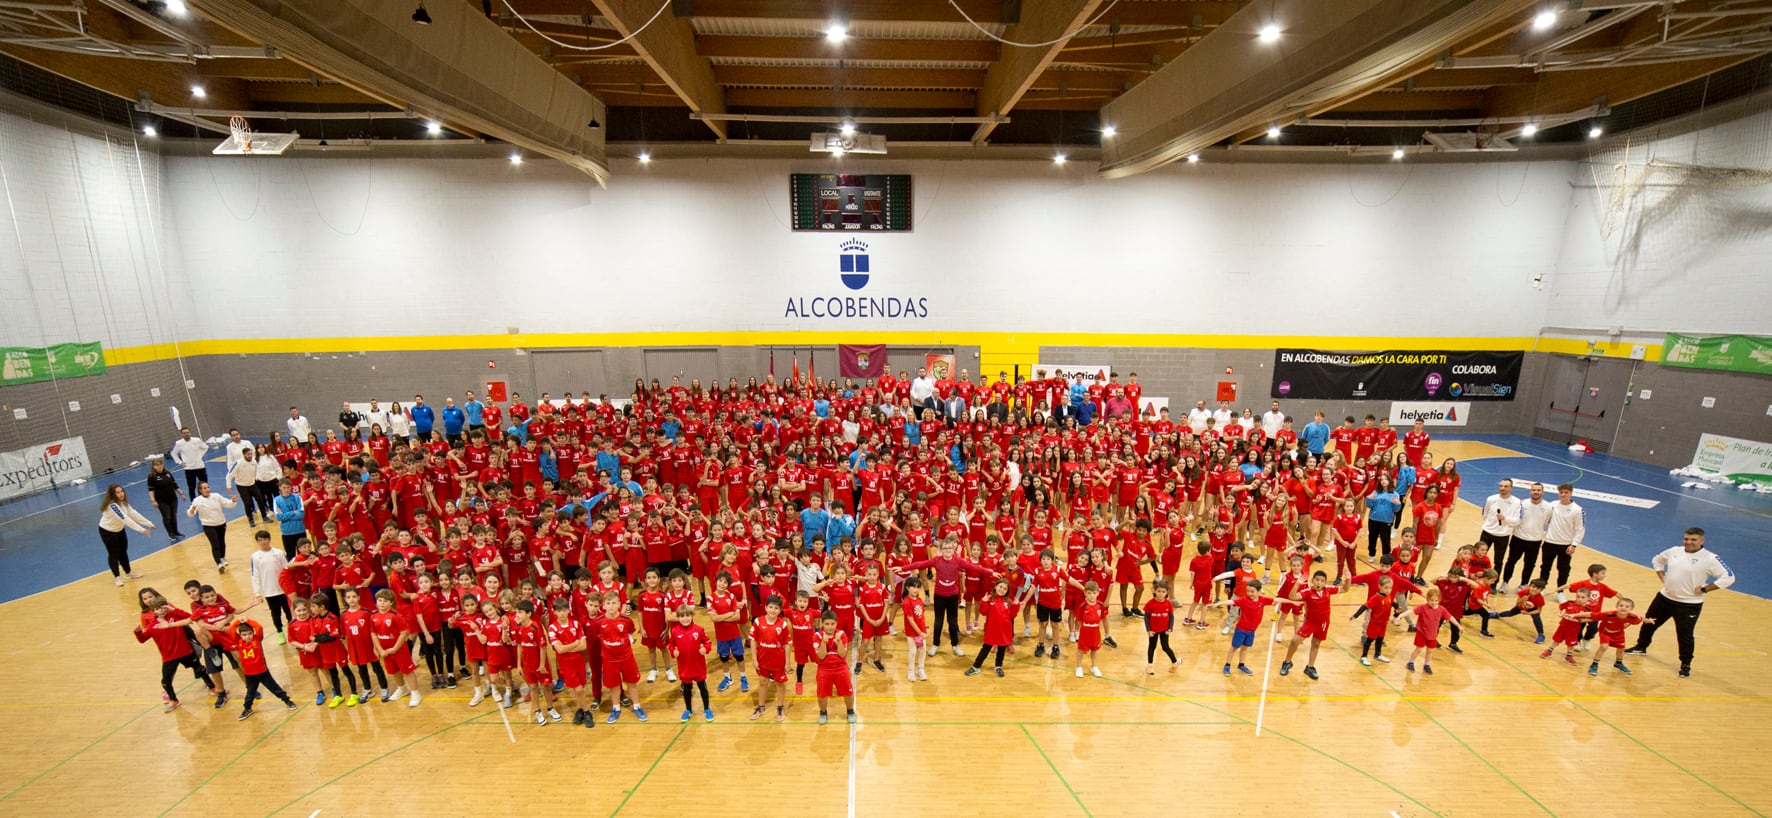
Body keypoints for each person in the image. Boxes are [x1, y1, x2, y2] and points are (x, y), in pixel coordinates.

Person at [1627, 527, 1735, 678]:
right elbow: (1657, 560)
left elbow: (1729, 577)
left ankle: (1685, 664)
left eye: (1693, 540)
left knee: (1684, 635)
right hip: (1664, 598)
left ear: (1701, 541)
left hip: (1689, 604)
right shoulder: (1674, 551)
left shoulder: (1710, 558)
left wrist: (1705, 589)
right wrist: (1661, 574)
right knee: (1649, 623)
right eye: (1686, 539)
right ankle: (1641, 647)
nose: (1688, 542)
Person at [134, 591, 213, 712]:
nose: (160, 610)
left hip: (186, 651)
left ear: (166, 606)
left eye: (162, 607)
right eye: (156, 609)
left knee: (200, 670)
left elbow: (190, 617)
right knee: (166, 681)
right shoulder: (152, 626)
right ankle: (173, 700)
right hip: (169, 657)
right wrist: (138, 632)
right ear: (153, 611)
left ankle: (213, 688)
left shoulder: (175, 617)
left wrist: (173, 610)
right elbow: (142, 639)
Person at [228, 620, 299, 720]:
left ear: (253, 633)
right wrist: (238, 622)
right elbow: (231, 631)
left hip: (261, 671)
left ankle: (287, 701)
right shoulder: (239, 642)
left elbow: (259, 627)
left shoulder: (256, 640)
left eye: (249, 633)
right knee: (250, 693)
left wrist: (247, 620)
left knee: (274, 688)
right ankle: (247, 708)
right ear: (240, 635)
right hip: (249, 674)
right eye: (244, 635)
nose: (247, 636)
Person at [98, 484, 153, 586]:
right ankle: (117, 577)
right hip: (108, 531)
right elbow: (125, 519)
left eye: (121, 491)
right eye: (117, 492)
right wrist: (141, 530)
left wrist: (148, 523)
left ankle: (128, 572)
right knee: (113, 554)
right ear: (112, 494)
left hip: (119, 529)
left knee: (123, 551)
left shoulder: (123, 503)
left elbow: (133, 513)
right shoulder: (112, 506)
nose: (120, 494)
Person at [668, 604, 714, 723]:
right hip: (684, 666)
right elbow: (671, 644)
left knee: (702, 687)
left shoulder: (699, 630)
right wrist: (674, 651)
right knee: (686, 689)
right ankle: (688, 709)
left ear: (692, 616)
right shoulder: (674, 631)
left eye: (688, 615)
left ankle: (707, 709)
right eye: (682, 616)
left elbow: (708, 642)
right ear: (678, 617)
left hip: (698, 666)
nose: (685, 618)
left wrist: (706, 649)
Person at [1503, 482, 1552, 593]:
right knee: (1511, 561)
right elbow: (1516, 518)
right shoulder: (1522, 504)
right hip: (1518, 538)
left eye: (1538, 490)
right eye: (1534, 490)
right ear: (1530, 491)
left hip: (1535, 541)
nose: (1536, 492)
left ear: (1542, 492)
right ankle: (1505, 583)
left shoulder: (1548, 507)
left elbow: (1547, 522)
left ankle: (1524, 584)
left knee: (1529, 564)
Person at [1537, 484, 1586, 587]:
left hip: (1565, 544)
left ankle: (1560, 590)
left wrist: (1574, 545)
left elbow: (1580, 529)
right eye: (1561, 492)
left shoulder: (1577, 510)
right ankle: (1541, 588)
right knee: (1545, 567)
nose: (1563, 495)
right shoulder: (1552, 505)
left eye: (1566, 492)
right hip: (1549, 542)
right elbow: (1540, 510)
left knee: (1563, 569)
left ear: (1571, 493)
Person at [813, 612, 856, 725]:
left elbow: (842, 655)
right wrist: (823, 642)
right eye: (827, 624)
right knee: (822, 693)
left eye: (832, 624)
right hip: (824, 668)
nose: (830, 627)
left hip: (840, 667)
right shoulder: (817, 636)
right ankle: (823, 712)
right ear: (822, 624)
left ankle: (850, 711)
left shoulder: (841, 634)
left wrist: (839, 641)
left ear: (836, 624)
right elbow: (821, 656)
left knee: (848, 692)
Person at [248, 530, 291, 642]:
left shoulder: (279, 552)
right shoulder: (255, 557)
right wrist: (257, 593)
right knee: (275, 613)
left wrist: (290, 587)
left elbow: (287, 569)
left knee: (289, 611)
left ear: (269, 539)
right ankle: (280, 632)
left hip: (284, 590)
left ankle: (293, 631)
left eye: (265, 539)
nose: (263, 542)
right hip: (269, 591)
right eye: (260, 540)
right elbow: (255, 575)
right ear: (257, 542)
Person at [186, 481, 238, 572]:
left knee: (222, 542)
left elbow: (227, 503)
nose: (207, 489)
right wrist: (192, 509)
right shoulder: (197, 501)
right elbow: (190, 513)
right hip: (208, 525)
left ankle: (222, 558)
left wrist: (233, 501)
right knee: (215, 544)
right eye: (205, 488)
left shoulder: (216, 496)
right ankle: (218, 564)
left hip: (221, 523)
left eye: (208, 487)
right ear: (200, 490)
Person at [146, 458, 186, 539]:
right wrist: (153, 500)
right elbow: (151, 490)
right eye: (157, 465)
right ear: (153, 466)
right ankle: (170, 533)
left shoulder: (168, 473)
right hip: (161, 500)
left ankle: (175, 531)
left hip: (173, 498)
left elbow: (174, 484)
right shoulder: (152, 476)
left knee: (173, 515)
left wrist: (181, 493)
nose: (160, 466)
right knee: (167, 516)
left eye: (161, 464)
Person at [170, 427, 210, 497]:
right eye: (184, 433)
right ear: (182, 434)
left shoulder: (196, 440)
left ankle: (206, 499)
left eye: (187, 432)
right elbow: (173, 453)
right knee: (191, 487)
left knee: (205, 486)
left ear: (190, 433)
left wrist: (200, 456)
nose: (186, 434)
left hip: (200, 467)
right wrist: (180, 462)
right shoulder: (179, 443)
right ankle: (193, 503)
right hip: (189, 469)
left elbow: (205, 447)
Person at [271, 481, 307, 559]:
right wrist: (293, 512)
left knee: (304, 555)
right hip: (287, 532)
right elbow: (279, 517)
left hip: (300, 530)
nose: (286, 490)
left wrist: (285, 514)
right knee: (290, 556)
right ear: (280, 488)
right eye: (284, 488)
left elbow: (301, 514)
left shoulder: (297, 497)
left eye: (288, 487)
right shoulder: (277, 500)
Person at [230, 446, 262, 526]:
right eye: (248, 454)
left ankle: (264, 516)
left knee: (260, 499)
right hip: (242, 485)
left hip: (252, 483)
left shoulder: (254, 461)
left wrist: (255, 479)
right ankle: (250, 519)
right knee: (247, 503)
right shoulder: (238, 463)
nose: (250, 456)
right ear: (244, 455)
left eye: (251, 454)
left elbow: (255, 471)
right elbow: (229, 475)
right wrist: (228, 486)